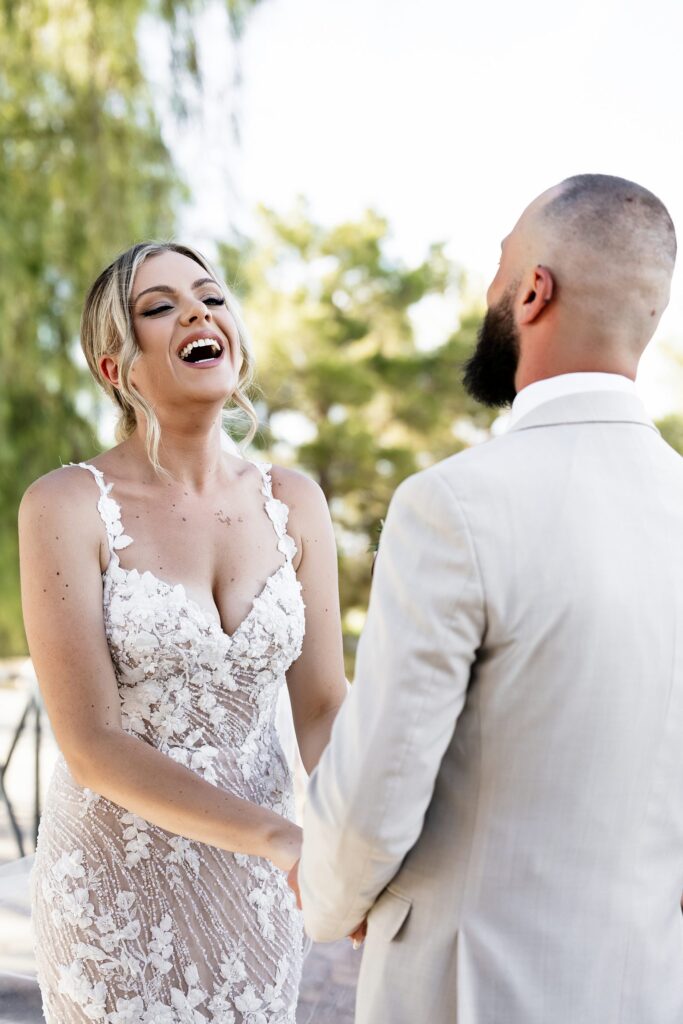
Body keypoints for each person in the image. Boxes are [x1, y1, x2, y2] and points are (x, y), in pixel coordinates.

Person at [296, 174, 683, 1023]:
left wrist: (326, 899)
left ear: (533, 290)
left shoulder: (454, 506)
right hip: (649, 989)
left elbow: (375, 797)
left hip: (465, 992)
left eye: (499, 266)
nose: (487, 290)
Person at [18, 241, 348, 1023]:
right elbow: (91, 745)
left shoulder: (295, 501)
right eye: (159, 306)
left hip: (259, 894)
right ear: (115, 368)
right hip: (113, 897)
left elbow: (324, 710)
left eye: (211, 296)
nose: (198, 312)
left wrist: (375, 826)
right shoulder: (64, 504)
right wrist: (276, 836)